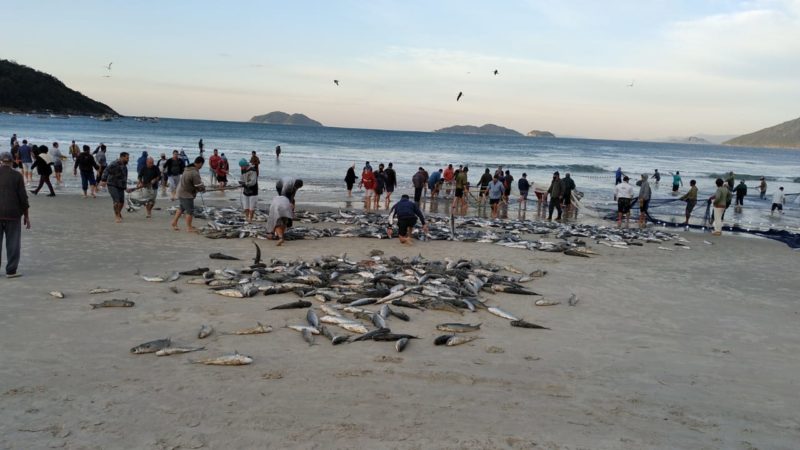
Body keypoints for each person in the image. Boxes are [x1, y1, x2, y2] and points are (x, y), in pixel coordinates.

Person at [0, 152, 31, 278]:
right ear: (12, 162)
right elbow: (23, 197)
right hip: (13, 214)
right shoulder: (17, 176)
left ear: (1, 161)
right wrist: (26, 216)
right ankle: (11, 271)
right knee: (13, 243)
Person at [170, 156, 205, 232]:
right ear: (200, 163)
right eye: (202, 165)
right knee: (190, 211)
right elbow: (198, 185)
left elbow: (193, 183)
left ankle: (174, 222)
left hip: (181, 191)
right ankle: (189, 228)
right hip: (186, 194)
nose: (201, 167)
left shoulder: (188, 168)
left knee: (181, 208)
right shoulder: (194, 172)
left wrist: (200, 188)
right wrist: (202, 188)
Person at [101, 152, 133, 223]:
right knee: (116, 201)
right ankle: (117, 216)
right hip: (112, 184)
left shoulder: (125, 167)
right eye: (127, 158)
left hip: (120, 186)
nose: (128, 159)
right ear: (122, 157)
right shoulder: (114, 163)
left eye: (128, 158)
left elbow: (124, 178)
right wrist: (103, 180)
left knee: (121, 202)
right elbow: (106, 170)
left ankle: (118, 213)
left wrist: (125, 187)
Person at [239, 159, 259, 223]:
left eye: (242, 166)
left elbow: (253, 182)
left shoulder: (253, 170)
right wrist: (241, 182)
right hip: (246, 191)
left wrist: (246, 184)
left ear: (245, 165)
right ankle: (247, 217)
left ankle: (250, 219)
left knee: (251, 207)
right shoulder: (243, 170)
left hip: (253, 191)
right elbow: (242, 178)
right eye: (241, 167)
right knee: (246, 206)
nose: (241, 168)